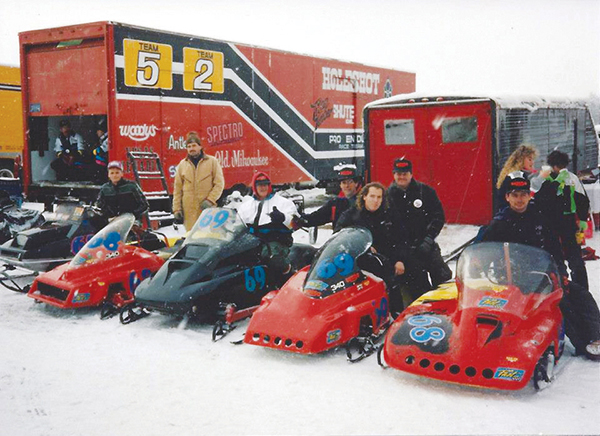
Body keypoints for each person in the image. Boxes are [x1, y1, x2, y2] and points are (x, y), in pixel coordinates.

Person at [481, 171, 600, 361]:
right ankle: (583, 343)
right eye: (515, 195)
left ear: (529, 196)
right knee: (562, 305)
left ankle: (595, 337)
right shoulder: (499, 224)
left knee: (581, 295)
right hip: (515, 280)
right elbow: (482, 250)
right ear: (507, 197)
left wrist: (560, 273)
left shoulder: (540, 218)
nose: (519, 200)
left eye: (523, 195)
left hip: (543, 275)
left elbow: (554, 248)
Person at [335, 182, 415, 313]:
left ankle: (398, 313)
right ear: (364, 197)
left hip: (387, 260)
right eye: (372, 196)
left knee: (411, 274)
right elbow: (339, 237)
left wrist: (400, 260)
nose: (376, 200)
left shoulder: (390, 215)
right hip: (357, 260)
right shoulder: (351, 215)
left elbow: (402, 239)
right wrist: (361, 245)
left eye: (379, 197)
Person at [387, 158, 452, 288]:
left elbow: (438, 217)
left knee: (444, 279)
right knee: (418, 286)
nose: (402, 177)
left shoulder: (426, 192)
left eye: (405, 174)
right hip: (405, 251)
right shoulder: (387, 196)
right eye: (398, 174)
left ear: (411, 174)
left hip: (426, 246)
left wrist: (428, 239)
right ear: (394, 175)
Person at [535, 150, 590, 290]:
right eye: (558, 166)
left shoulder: (572, 178)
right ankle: (559, 286)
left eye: (563, 166)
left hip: (568, 220)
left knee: (575, 257)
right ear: (552, 167)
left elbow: (582, 199)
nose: (561, 170)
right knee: (554, 256)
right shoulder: (545, 179)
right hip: (549, 221)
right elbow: (540, 199)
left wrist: (583, 218)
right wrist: (555, 184)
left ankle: (582, 289)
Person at [238, 172, 299, 277]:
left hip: (277, 242)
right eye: (259, 185)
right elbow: (238, 225)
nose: (263, 188)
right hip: (253, 243)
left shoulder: (283, 203)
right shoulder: (246, 206)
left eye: (265, 184)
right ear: (254, 187)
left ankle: (289, 274)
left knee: (269, 257)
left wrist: (283, 218)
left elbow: (296, 224)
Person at [172, 132, 225, 230]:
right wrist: (177, 209)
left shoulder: (212, 162)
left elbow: (219, 184)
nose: (191, 148)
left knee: (208, 236)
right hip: (189, 213)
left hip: (207, 212)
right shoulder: (182, 165)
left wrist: (210, 200)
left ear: (200, 147)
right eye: (189, 146)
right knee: (192, 239)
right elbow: (177, 189)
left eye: (194, 145)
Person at [294, 165, 360, 229]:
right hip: (340, 238)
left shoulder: (363, 201)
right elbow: (317, 217)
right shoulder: (335, 204)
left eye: (350, 182)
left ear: (356, 184)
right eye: (344, 182)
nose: (347, 186)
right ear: (340, 185)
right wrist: (299, 218)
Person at [95, 161, 149, 225]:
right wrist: (107, 216)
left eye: (117, 173)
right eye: (112, 173)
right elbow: (99, 206)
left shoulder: (131, 186)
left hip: (132, 222)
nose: (114, 175)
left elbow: (144, 205)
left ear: (122, 174)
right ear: (108, 175)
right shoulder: (105, 188)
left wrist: (132, 214)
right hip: (112, 223)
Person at [92, 119, 109, 183]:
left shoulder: (108, 138)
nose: (97, 133)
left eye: (98, 131)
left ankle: (101, 179)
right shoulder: (102, 138)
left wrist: (95, 151)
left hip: (105, 161)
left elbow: (102, 150)